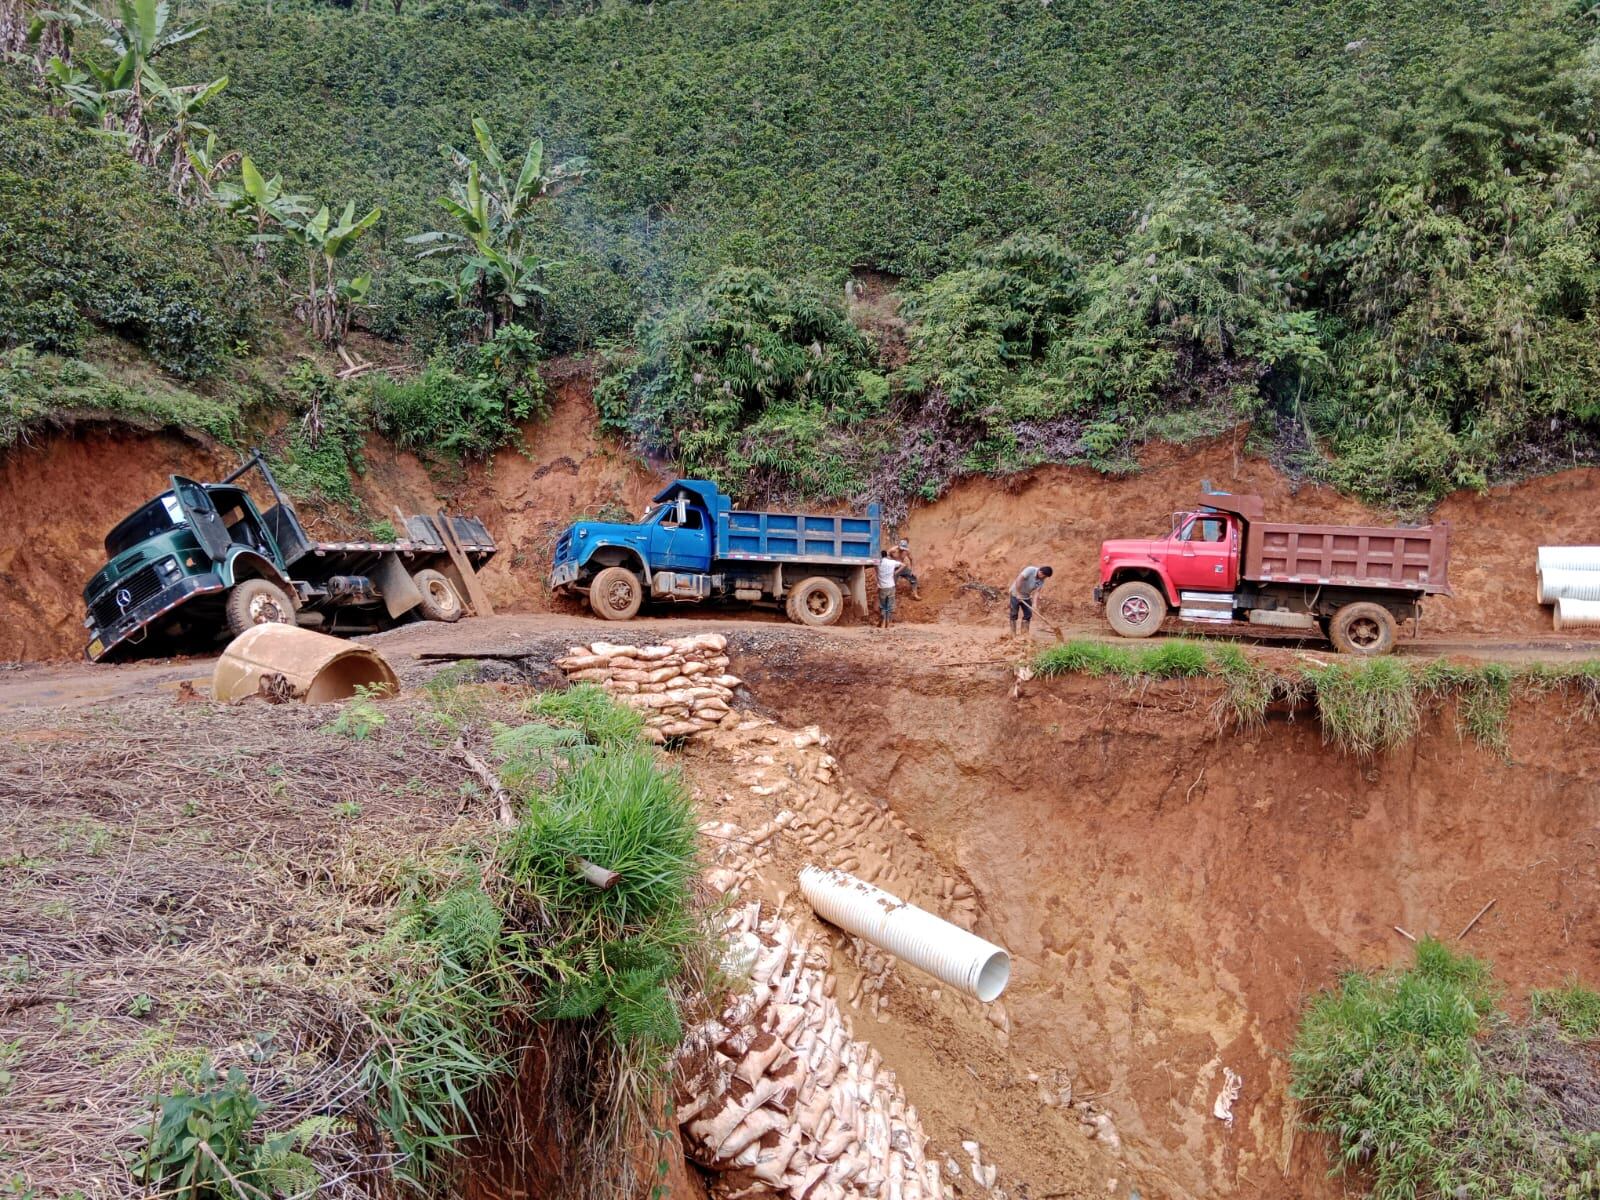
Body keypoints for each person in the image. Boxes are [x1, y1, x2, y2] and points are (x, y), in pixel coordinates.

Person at [1008, 564, 1053, 636]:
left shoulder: (1042, 580)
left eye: (1045, 577)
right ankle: (1013, 634)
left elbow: (1037, 592)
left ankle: (1024, 635)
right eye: (1044, 576)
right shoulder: (1030, 570)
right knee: (1014, 613)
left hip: (1026, 596)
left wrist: (1034, 604)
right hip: (1015, 593)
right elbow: (1019, 579)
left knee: (1028, 614)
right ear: (1040, 572)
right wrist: (1018, 593)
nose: (1044, 578)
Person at [876, 550, 905, 629]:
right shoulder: (892, 562)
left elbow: (876, 572)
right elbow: (903, 565)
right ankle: (888, 624)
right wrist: (896, 573)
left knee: (883, 606)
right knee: (889, 606)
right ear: (886, 555)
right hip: (891, 587)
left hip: (882, 587)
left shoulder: (878, 564)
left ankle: (882, 623)